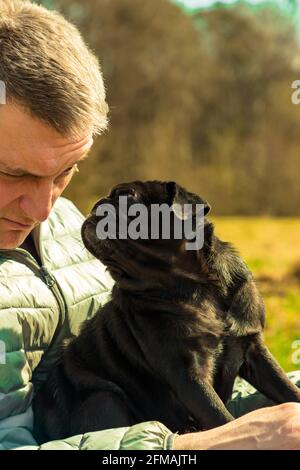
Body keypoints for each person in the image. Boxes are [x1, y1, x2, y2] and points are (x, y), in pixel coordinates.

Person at [0, 0, 300, 451]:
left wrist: (274, 413)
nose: (43, 208)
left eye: (65, 172)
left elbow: (168, 374)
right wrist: (199, 449)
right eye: (13, 174)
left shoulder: (68, 226)